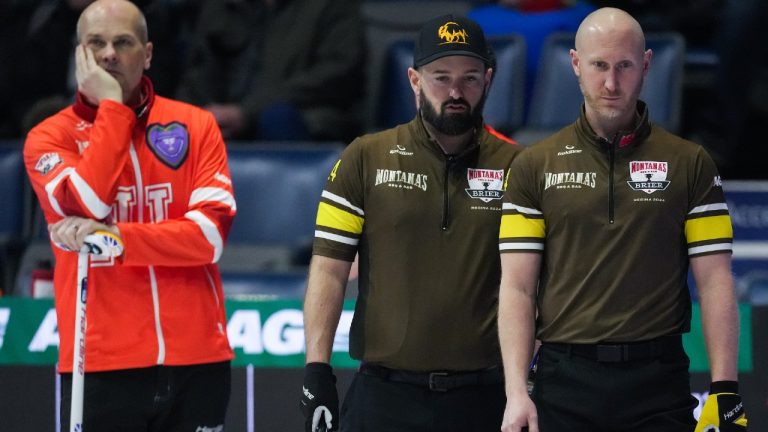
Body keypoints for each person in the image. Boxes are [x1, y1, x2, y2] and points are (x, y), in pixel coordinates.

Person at [497, 7, 747, 432]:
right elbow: (518, 288)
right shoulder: (533, 166)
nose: (611, 83)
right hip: (563, 383)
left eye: (624, 66)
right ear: (575, 64)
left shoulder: (691, 163)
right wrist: (517, 392)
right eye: (598, 66)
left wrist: (725, 389)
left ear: (646, 65)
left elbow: (715, 280)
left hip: (658, 382)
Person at [300, 14, 523, 432]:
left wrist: (525, 383)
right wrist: (317, 370)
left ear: (489, 80)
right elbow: (329, 269)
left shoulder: (520, 167)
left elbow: (536, 283)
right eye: (441, 77)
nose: (456, 92)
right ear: (414, 80)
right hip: (384, 397)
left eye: (470, 78)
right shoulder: (364, 157)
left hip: (486, 397)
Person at [23, 1, 235, 430]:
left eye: (123, 42)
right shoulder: (48, 139)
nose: (108, 55)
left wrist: (113, 237)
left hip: (197, 360)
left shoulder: (195, 126)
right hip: (99, 363)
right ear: (77, 53)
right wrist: (114, 111)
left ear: (149, 53)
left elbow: (209, 237)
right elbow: (89, 205)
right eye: (95, 44)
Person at [175, 0, 366, 143]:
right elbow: (197, 73)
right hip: (222, 120)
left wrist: (247, 112)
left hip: (301, 118)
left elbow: (337, 73)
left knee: (276, 119)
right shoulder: (222, 6)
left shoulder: (333, 5)